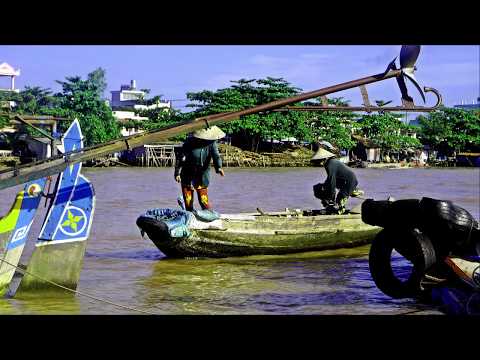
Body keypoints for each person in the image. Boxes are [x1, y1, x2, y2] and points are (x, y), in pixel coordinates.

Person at [174, 125, 225, 211]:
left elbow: (216, 156)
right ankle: (189, 213)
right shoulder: (189, 142)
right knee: (188, 200)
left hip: (202, 174)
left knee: (203, 199)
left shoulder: (211, 143)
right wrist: (177, 173)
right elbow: (180, 157)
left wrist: (219, 168)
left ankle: (208, 214)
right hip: (187, 172)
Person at [311, 142, 364, 215]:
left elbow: (332, 181)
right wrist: (325, 191)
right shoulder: (328, 163)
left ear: (325, 158)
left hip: (349, 182)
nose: (320, 163)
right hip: (342, 181)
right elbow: (330, 180)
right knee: (317, 188)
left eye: (320, 160)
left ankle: (340, 210)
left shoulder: (331, 163)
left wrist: (331, 198)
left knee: (339, 199)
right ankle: (348, 193)